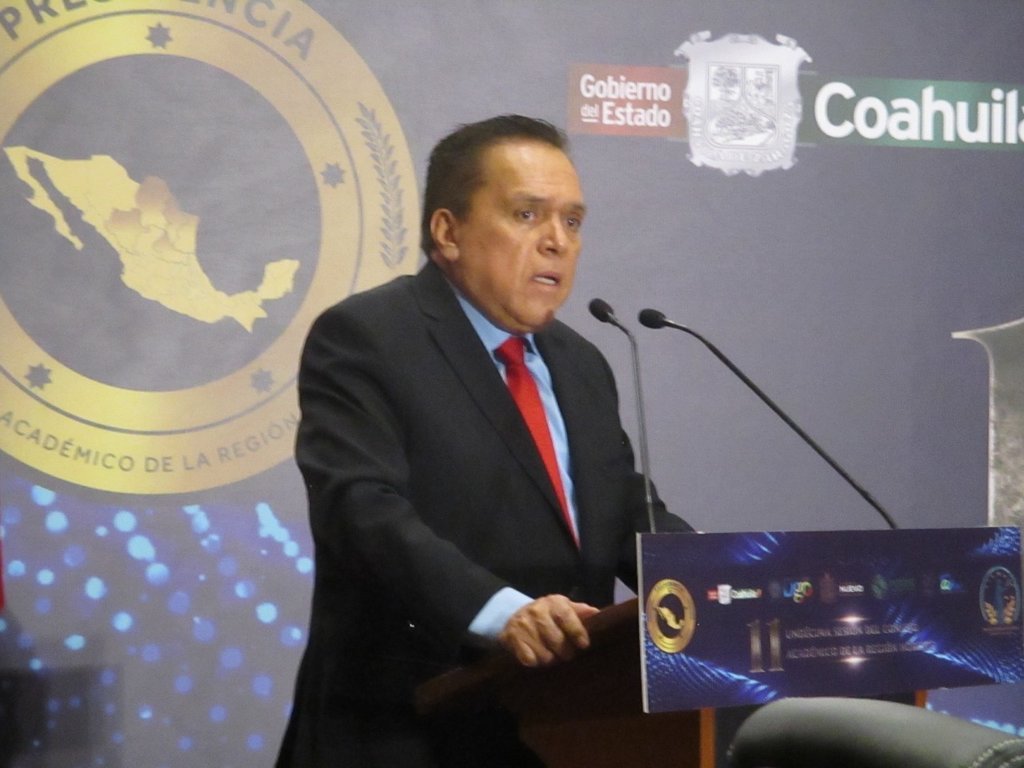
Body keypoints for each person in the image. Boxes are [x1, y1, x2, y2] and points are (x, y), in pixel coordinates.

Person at [276, 114, 690, 768]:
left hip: (564, 728)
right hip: (404, 730)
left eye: (573, 221)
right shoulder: (368, 338)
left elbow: (624, 516)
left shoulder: (581, 364)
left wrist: (729, 585)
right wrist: (503, 614)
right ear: (448, 232)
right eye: (528, 215)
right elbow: (361, 512)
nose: (557, 241)